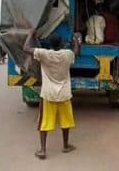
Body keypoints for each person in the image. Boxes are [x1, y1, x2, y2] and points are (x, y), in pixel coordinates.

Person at [24, 30, 80, 160]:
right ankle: (66, 146)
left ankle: (43, 150)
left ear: (49, 44)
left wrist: (31, 34)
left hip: (48, 94)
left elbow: (25, 48)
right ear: (61, 44)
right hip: (64, 95)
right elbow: (76, 51)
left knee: (44, 122)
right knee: (66, 122)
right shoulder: (67, 54)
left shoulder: (44, 54)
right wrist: (76, 40)